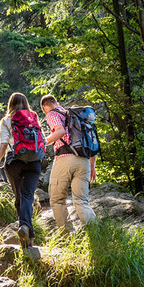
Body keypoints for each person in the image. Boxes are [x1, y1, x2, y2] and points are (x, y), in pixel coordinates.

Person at [0, 92, 45, 248]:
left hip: (14, 162)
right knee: (28, 195)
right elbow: (43, 140)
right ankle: (28, 231)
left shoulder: (7, 120)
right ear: (26, 103)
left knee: (19, 197)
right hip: (34, 162)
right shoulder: (33, 117)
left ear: (10, 104)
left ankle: (25, 229)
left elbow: (3, 144)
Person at [40, 94, 96, 230]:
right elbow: (91, 142)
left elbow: (59, 131)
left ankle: (67, 236)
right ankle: (97, 234)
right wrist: (92, 166)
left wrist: (42, 142)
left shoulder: (53, 114)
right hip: (84, 161)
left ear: (45, 106)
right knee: (82, 201)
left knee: (57, 200)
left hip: (65, 159)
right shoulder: (76, 116)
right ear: (56, 101)